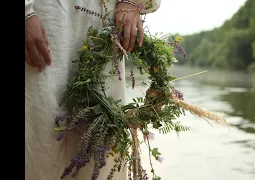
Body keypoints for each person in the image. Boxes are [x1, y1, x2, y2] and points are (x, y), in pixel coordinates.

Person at [25, 0, 161, 179]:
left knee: (101, 147)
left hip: (103, 26)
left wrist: (133, 3)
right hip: (44, 21)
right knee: (40, 140)